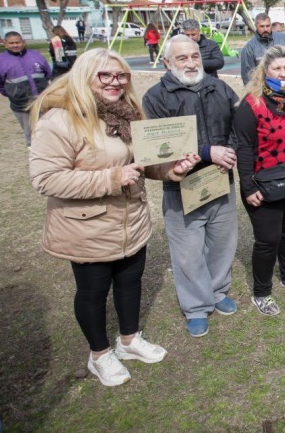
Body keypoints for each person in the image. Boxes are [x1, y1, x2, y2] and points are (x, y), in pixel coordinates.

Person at [29, 48, 199, 386]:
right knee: (92, 293)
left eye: (121, 75)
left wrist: (172, 170)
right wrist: (110, 178)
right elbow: (45, 178)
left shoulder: (128, 113)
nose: (114, 82)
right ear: (84, 76)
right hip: (87, 227)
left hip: (130, 220)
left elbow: (144, 163)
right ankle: (99, 355)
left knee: (130, 282)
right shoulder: (61, 118)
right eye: (105, 75)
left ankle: (129, 341)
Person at [141, 35, 240, 338]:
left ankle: (218, 289)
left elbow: (239, 125)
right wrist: (209, 151)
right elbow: (160, 146)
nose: (191, 63)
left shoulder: (219, 87)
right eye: (182, 58)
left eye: (194, 56)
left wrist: (230, 152)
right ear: (167, 62)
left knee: (222, 241)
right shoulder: (155, 97)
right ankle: (196, 306)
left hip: (221, 179)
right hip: (181, 187)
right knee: (188, 250)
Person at [233, 46, 285, 316]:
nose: (283, 73)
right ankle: (262, 291)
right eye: (277, 68)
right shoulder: (252, 103)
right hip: (265, 184)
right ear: (265, 71)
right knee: (268, 239)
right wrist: (248, 186)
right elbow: (244, 147)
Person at [0, 31, 52, 147]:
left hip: (43, 101)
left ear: (23, 42)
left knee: (49, 129)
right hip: (21, 104)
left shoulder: (36, 55)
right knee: (30, 133)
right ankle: (33, 153)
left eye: (17, 42)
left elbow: (48, 74)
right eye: (11, 43)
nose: (15, 45)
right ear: (6, 44)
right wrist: (12, 93)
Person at [240, 14, 285, 85]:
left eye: (268, 26)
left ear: (271, 25)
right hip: (264, 91)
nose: (265, 29)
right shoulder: (249, 48)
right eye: (262, 26)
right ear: (256, 26)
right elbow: (248, 76)